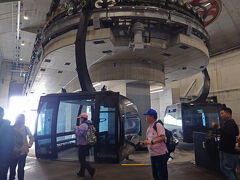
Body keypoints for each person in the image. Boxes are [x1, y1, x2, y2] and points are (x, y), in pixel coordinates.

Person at [141, 108, 168, 180]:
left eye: (147, 116)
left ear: (151, 116)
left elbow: (162, 137)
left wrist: (151, 142)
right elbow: (149, 140)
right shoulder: (149, 127)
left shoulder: (158, 125)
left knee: (162, 176)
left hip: (160, 155)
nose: (145, 117)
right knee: (155, 175)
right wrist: (144, 143)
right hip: (153, 155)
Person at [9, 114, 34, 180]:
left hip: (23, 152)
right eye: (18, 118)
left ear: (23, 119)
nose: (19, 119)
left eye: (21, 118)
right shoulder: (11, 128)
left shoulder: (26, 128)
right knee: (12, 169)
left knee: (20, 169)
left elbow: (31, 137)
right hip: (13, 152)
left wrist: (29, 145)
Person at [218, 107, 239, 180]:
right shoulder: (226, 123)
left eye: (222, 113)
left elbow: (227, 134)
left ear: (228, 114)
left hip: (229, 152)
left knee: (227, 169)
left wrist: (219, 128)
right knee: (229, 169)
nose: (221, 115)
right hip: (225, 150)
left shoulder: (232, 124)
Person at [75, 113, 96, 178]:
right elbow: (94, 131)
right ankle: (81, 173)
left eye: (80, 118)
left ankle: (91, 170)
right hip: (87, 144)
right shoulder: (90, 124)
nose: (80, 119)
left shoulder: (83, 125)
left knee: (81, 160)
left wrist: (76, 128)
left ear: (83, 118)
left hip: (82, 144)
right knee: (83, 159)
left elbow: (78, 134)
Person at [0, 107, 14, 180]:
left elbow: (9, 142)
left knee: (2, 174)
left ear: (2, 114)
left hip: (3, 155)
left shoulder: (7, 126)